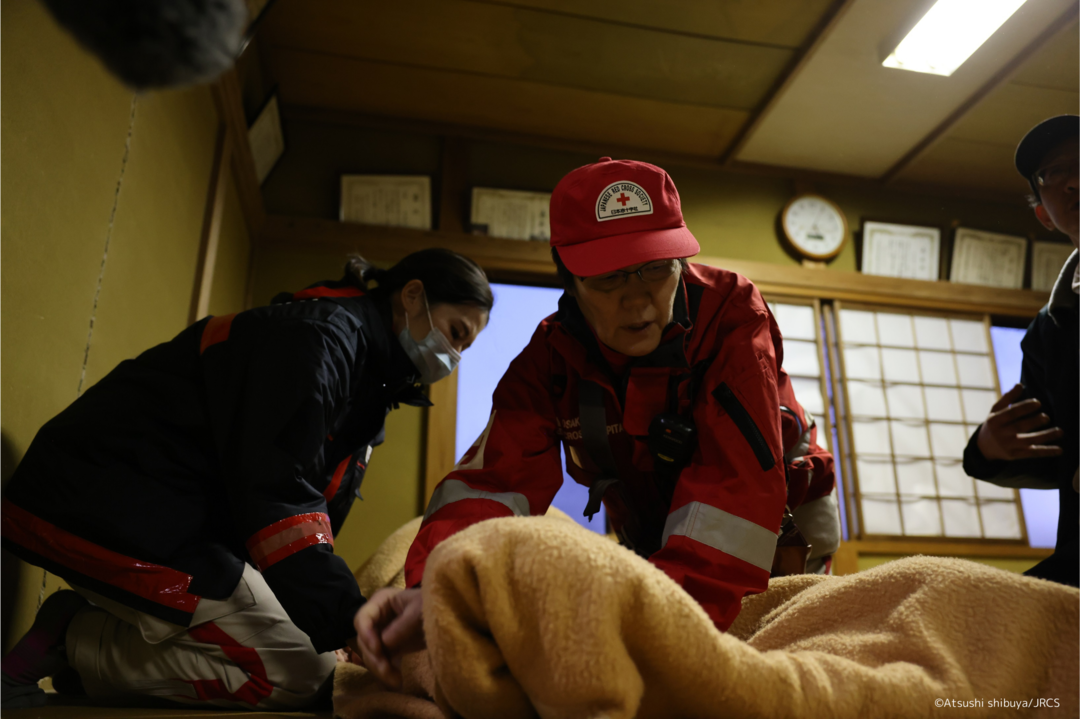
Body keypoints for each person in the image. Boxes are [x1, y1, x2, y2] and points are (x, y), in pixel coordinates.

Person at [356, 158, 839, 685]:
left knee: (762, 665)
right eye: (608, 277)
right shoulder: (549, 357)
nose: (636, 298)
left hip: (777, 519)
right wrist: (436, 591)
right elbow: (492, 483)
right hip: (650, 527)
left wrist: (646, 622)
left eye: (656, 267)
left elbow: (736, 491)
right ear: (570, 280)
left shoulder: (731, 316)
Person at [0, 248, 492, 710]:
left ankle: (88, 644)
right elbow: (277, 492)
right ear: (412, 296)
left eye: (465, 345)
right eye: (456, 332)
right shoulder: (320, 340)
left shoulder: (366, 379)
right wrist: (345, 618)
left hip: (171, 513)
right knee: (308, 674)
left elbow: (291, 504)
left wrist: (329, 618)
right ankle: (76, 640)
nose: (453, 356)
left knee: (312, 654)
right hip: (104, 492)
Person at [963, 115, 1078, 588]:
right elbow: (1058, 453)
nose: (1073, 180)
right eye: (1053, 173)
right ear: (1043, 213)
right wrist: (991, 449)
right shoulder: (1050, 329)